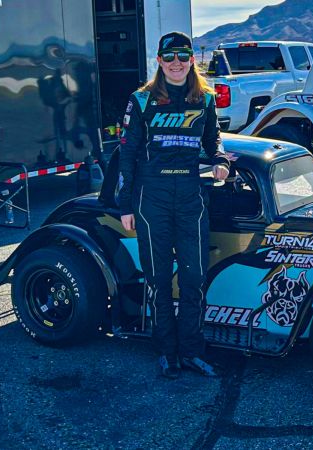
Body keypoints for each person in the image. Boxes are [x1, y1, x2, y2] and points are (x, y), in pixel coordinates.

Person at [117, 31, 230, 379]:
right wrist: (125, 205)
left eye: (183, 56)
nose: (177, 63)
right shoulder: (141, 100)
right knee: (159, 278)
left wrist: (221, 159)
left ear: (192, 60)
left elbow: (214, 140)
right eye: (170, 58)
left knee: (195, 279)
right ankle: (167, 351)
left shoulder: (205, 99)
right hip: (152, 199)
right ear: (159, 62)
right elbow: (127, 154)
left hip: (191, 197)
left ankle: (193, 352)